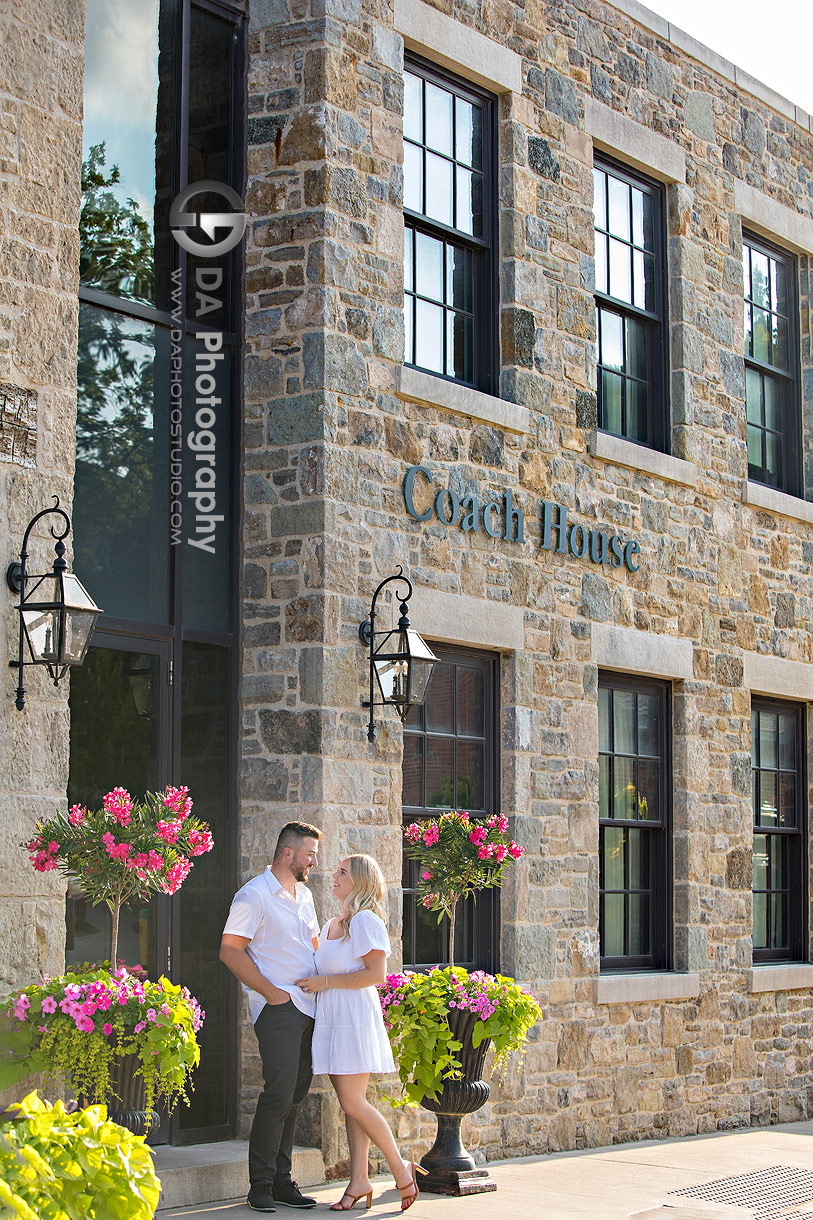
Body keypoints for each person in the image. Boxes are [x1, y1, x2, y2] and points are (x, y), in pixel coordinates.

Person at [295, 854, 427, 1212]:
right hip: (333, 1018)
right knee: (350, 1107)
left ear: (360, 882)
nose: (334, 876)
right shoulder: (332, 923)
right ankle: (359, 1181)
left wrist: (325, 981)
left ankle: (401, 1171)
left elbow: (375, 975)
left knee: (354, 1103)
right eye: (336, 871)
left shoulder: (365, 920)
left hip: (353, 1017)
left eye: (342, 872)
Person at [220, 821, 322, 1214]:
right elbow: (230, 951)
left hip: (309, 1006)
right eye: (309, 854)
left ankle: (282, 1181)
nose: (314, 860)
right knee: (278, 1092)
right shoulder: (253, 895)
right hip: (279, 1009)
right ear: (287, 854)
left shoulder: (305, 895)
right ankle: (259, 1185)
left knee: (294, 1095)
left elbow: (312, 944)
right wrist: (270, 993)